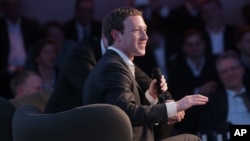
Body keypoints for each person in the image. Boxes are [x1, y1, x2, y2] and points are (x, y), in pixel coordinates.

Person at [83, 7, 208, 141]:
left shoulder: (117, 64)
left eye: (145, 30)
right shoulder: (112, 67)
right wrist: (177, 106)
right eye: (137, 31)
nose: (145, 37)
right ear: (116, 35)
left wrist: (150, 97)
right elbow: (126, 113)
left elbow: (128, 114)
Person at [199, 51, 250, 139]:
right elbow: (208, 133)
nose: (229, 74)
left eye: (233, 68)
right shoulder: (212, 103)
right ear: (219, 76)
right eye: (224, 71)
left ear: (242, 69)